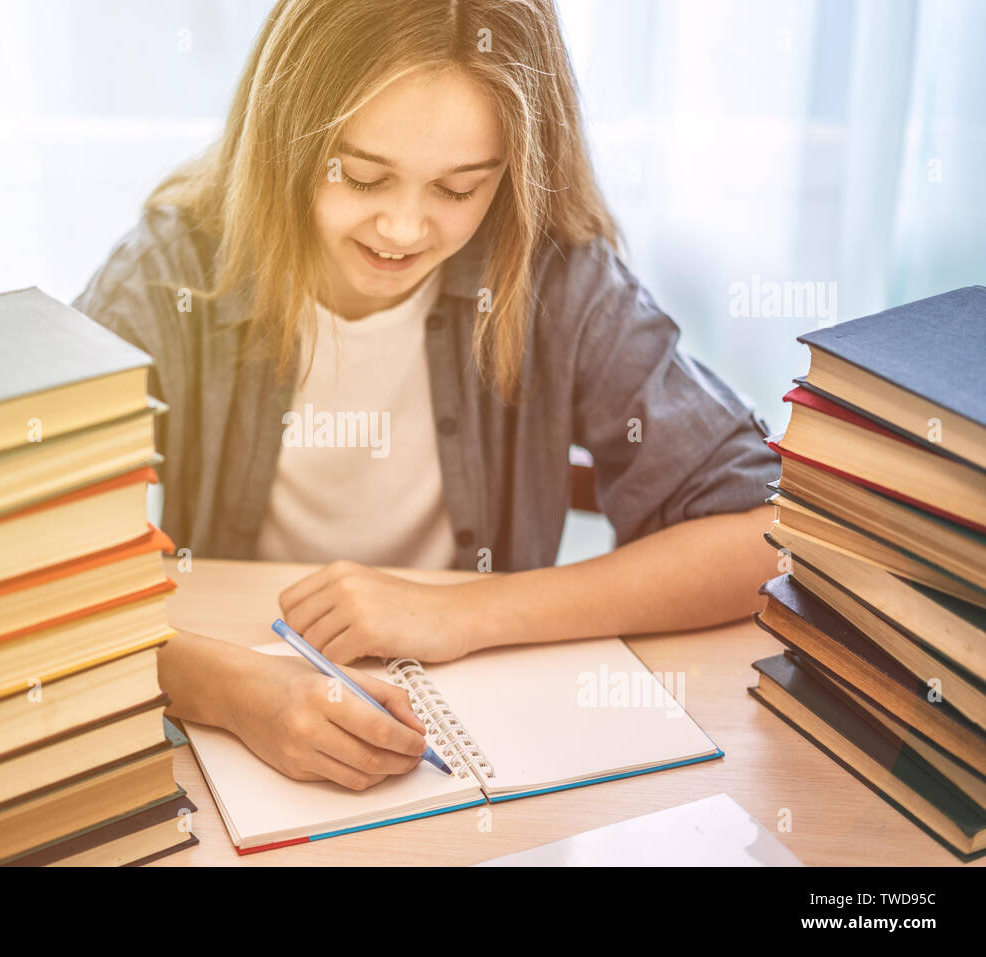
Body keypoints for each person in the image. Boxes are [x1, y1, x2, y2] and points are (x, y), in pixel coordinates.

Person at [74, 0, 781, 791]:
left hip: (472, 741)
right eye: (364, 176)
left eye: (458, 189)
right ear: (280, 139)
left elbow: (762, 534)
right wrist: (222, 687)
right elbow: (23, 581)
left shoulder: (550, 276)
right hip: (232, 735)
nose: (404, 229)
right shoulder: (170, 275)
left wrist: (458, 613)